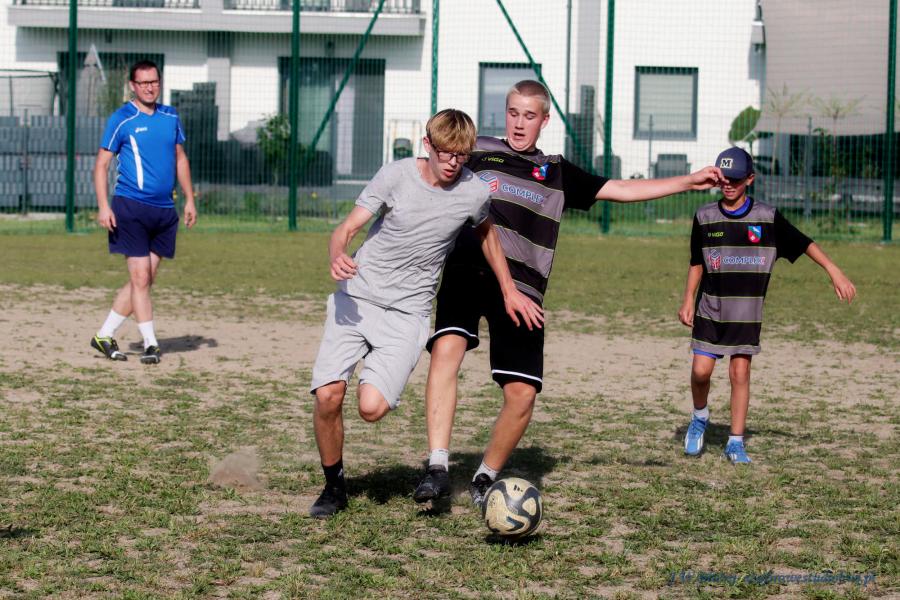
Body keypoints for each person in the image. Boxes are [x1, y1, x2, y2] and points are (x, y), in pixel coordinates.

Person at [414, 80, 724, 507]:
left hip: (523, 289)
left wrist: (688, 181)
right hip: (468, 269)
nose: (519, 123)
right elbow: (426, 167)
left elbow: (619, 189)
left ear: (544, 120)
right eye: (512, 113)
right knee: (446, 349)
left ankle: (485, 477)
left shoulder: (557, 171)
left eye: (529, 115)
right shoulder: (478, 150)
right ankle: (437, 467)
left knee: (522, 393)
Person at [308, 109, 543, 518]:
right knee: (329, 394)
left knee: (371, 408)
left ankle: (373, 373)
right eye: (445, 152)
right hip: (357, 298)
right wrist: (337, 254)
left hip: (407, 313)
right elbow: (346, 229)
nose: (453, 162)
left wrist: (509, 289)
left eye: (461, 155)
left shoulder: (473, 192)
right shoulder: (396, 176)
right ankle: (334, 486)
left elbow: (487, 235)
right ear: (428, 145)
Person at [679, 146, 856, 463]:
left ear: (750, 179)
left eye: (735, 179)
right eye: (723, 178)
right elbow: (696, 262)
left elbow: (804, 243)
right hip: (711, 309)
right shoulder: (704, 217)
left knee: (740, 373)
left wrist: (834, 271)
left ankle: (735, 442)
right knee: (700, 371)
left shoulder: (767, 218)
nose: (728, 185)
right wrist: (688, 299)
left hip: (746, 314)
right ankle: (700, 416)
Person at [90, 60, 197, 365]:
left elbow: (180, 158)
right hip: (130, 208)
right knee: (139, 278)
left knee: (145, 279)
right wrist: (103, 206)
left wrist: (189, 199)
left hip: (164, 211)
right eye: (144, 83)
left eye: (154, 82)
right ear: (133, 86)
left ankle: (104, 335)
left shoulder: (170, 116)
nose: (150, 88)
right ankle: (151, 344)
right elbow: (101, 165)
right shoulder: (122, 119)